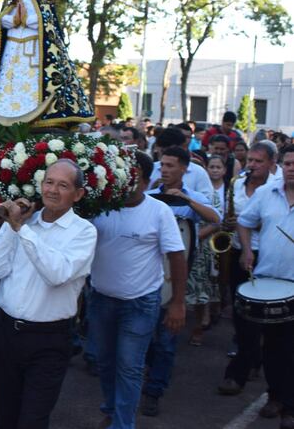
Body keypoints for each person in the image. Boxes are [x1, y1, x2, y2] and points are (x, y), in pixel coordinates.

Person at [0, 159, 97, 429]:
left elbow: (57, 273)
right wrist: (13, 228)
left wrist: (22, 230)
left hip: (49, 339)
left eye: (63, 185)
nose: (53, 190)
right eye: (48, 182)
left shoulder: (84, 232)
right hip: (7, 332)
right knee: (6, 417)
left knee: (32, 420)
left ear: (78, 194)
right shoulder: (25, 223)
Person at [89, 152, 186, 429]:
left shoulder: (159, 212)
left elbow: (177, 256)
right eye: (118, 175)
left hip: (140, 304)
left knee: (129, 367)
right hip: (101, 300)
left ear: (145, 182)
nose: (123, 181)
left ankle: (122, 424)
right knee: (104, 362)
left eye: (131, 177)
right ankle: (110, 408)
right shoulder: (99, 207)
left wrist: (178, 302)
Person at [141, 146, 219, 417]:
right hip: (147, 275)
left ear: (185, 168)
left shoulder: (192, 196)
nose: (164, 170)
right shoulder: (150, 195)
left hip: (176, 275)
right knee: (145, 335)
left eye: (170, 166)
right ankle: (149, 373)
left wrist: (187, 201)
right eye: (162, 165)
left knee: (166, 338)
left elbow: (215, 219)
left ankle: (154, 390)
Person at [0, 0, 93, 128]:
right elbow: (2, 21)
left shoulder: (43, 3)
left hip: (34, 51)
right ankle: (6, 115)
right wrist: (14, 19)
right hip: (11, 50)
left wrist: (26, 19)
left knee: (32, 83)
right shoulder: (14, 3)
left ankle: (37, 118)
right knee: (9, 82)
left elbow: (45, 24)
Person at [230, 144, 294, 428]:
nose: (292, 168)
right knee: (273, 347)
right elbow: (244, 222)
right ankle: (276, 395)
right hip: (271, 284)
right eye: (289, 163)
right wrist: (246, 251)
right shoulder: (267, 194)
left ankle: (289, 406)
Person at [218, 142, 279, 418]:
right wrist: (232, 224)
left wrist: (250, 221)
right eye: (250, 160)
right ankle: (245, 364)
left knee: (266, 319)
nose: (251, 165)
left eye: (258, 161)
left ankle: (253, 366)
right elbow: (235, 217)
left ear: (271, 164)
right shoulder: (237, 183)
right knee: (242, 315)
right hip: (239, 251)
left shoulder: (277, 188)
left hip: (266, 256)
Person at [187, 154, 225, 346]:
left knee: (199, 291)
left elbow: (216, 223)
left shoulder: (210, 195)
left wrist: (193, 238)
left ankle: (198, 327)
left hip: (200, 249)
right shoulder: (179, 192)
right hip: (180, 247)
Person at [149, 127, 213, 200]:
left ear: (182, 148)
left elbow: (207, 201)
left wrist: (186, 199)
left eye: (171, 152)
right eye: (162, 152)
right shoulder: (150, 169)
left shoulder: (198, 172)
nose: (166, 156)